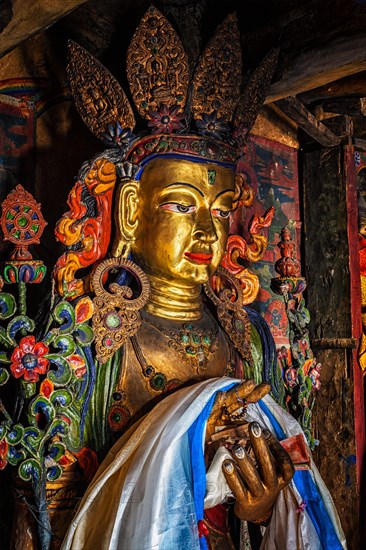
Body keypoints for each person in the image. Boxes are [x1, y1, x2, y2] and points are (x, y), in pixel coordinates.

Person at [53, 7, 346, 549]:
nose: (208, 230)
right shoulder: (91, 337)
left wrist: (258, 509)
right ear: (132, 210)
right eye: (183, 206)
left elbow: (268, 486)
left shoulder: (247, 339)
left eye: (221, 207)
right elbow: (58, 504)